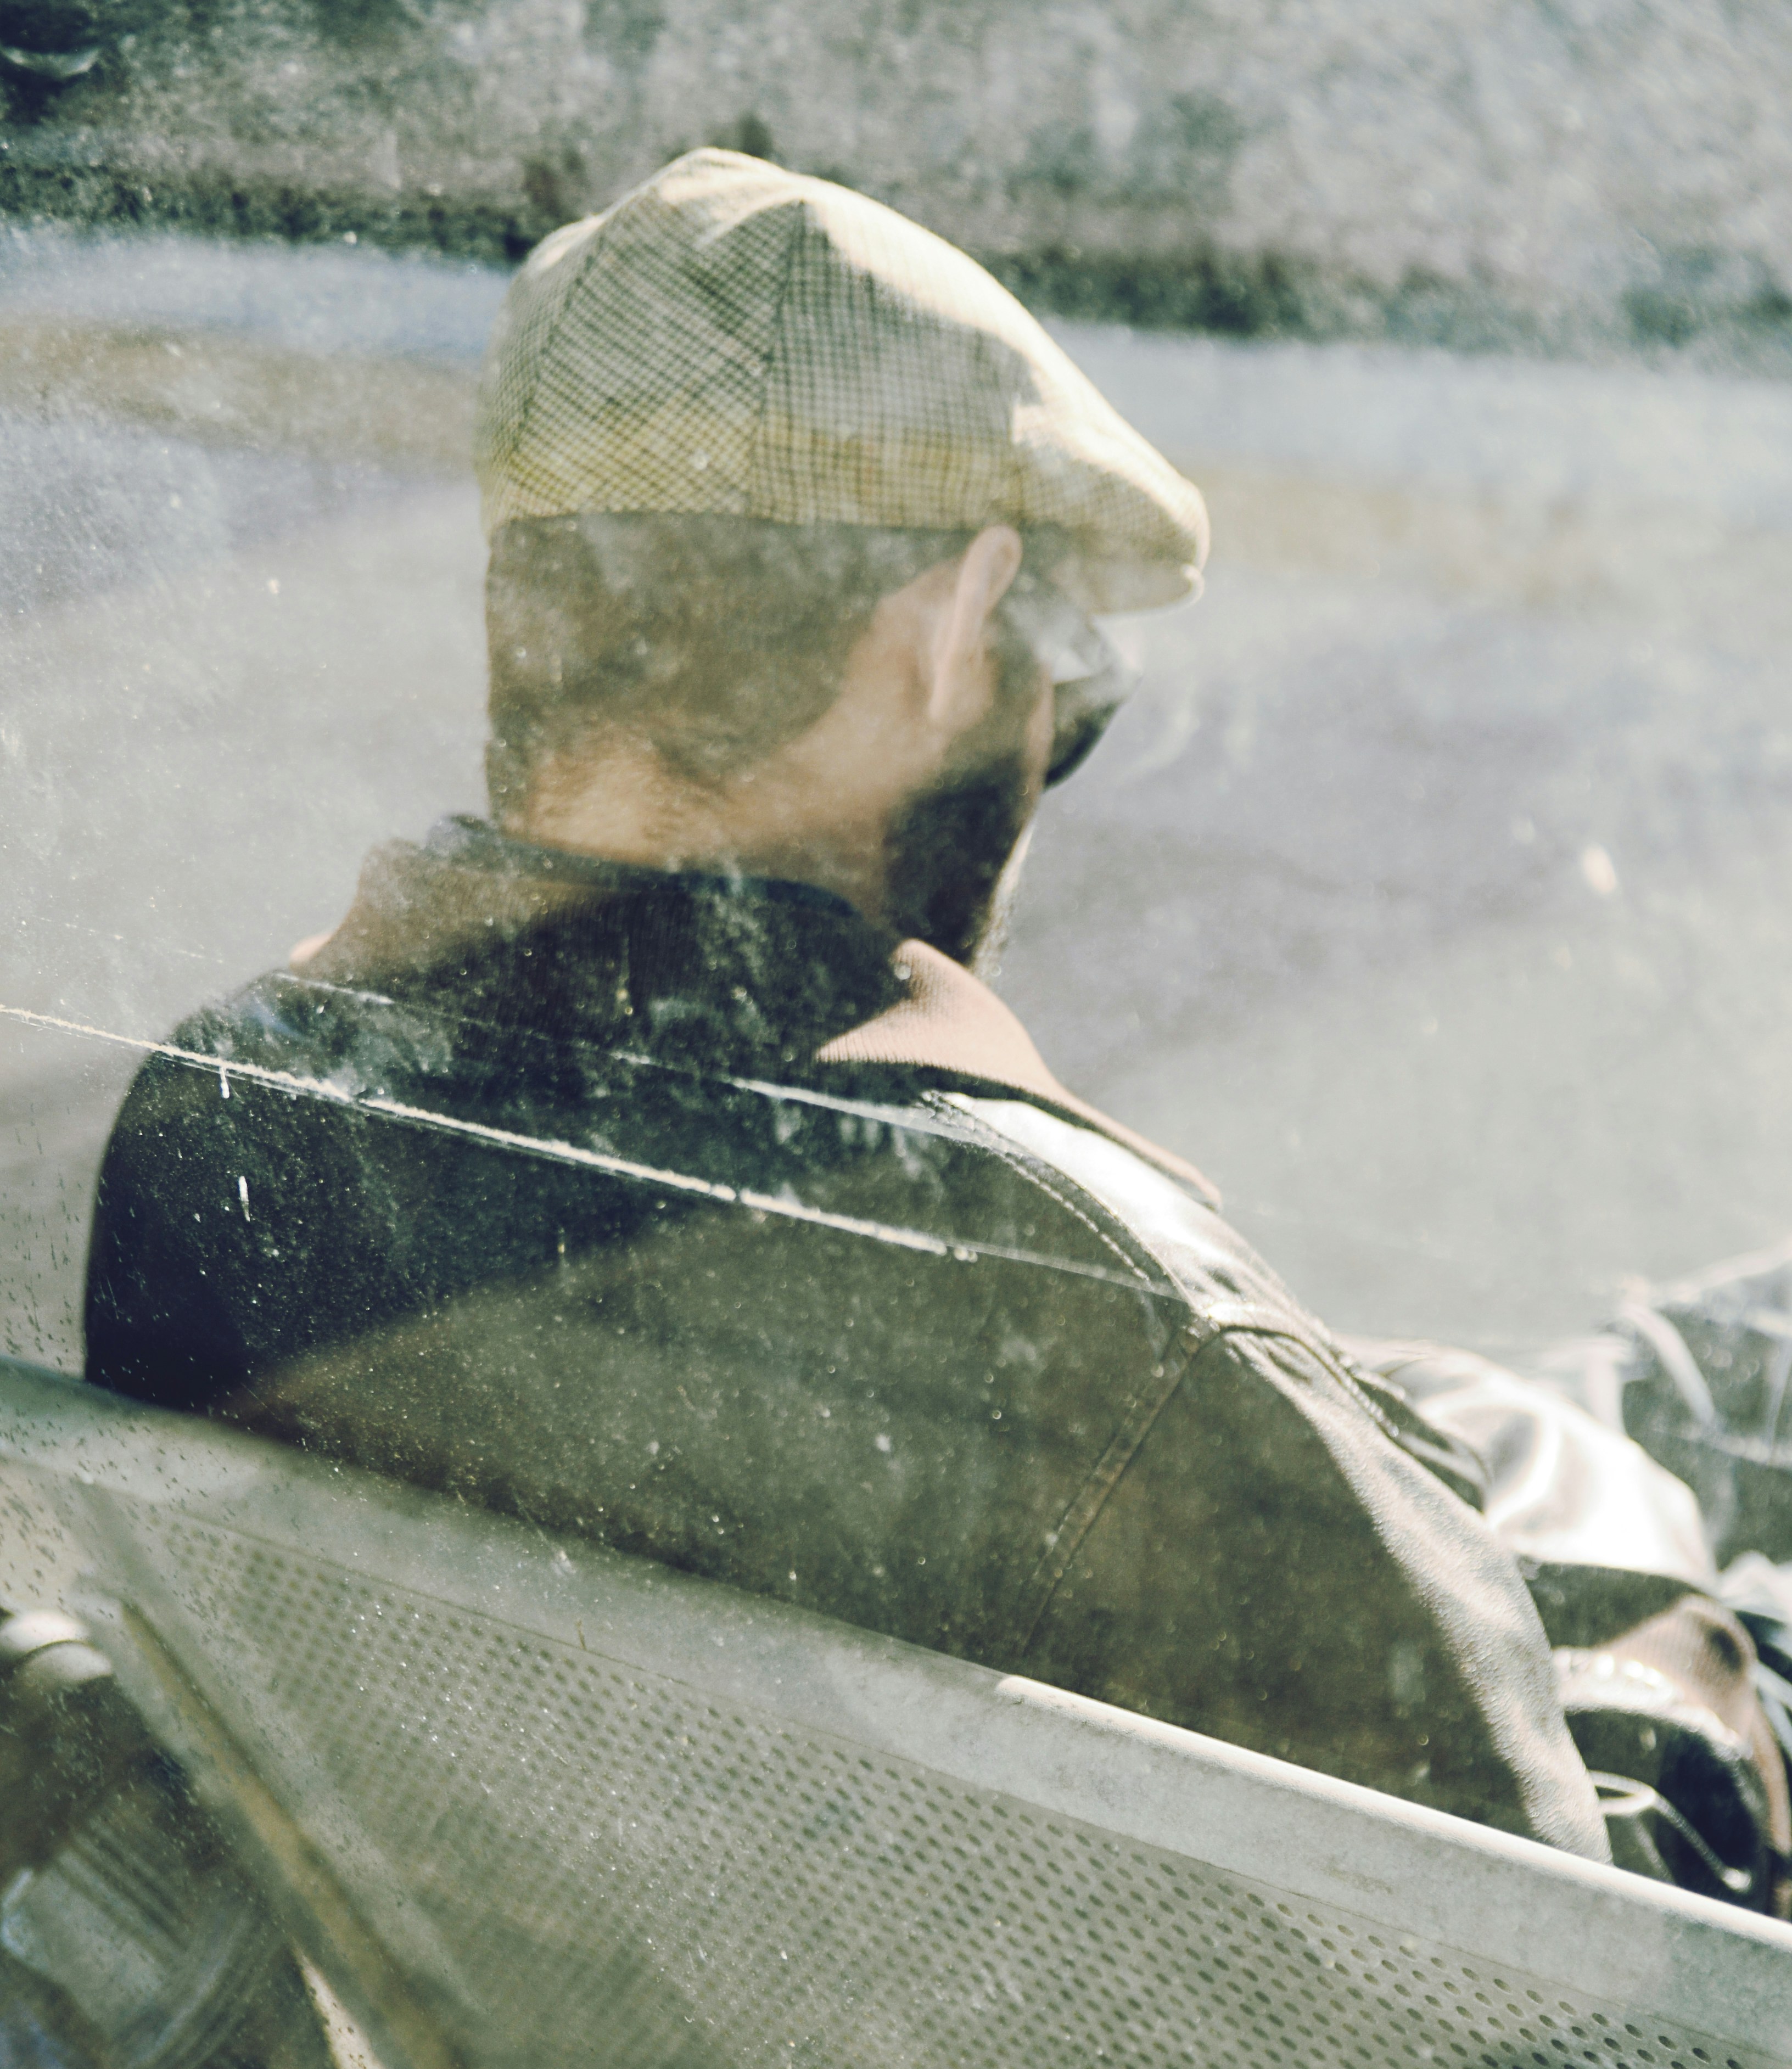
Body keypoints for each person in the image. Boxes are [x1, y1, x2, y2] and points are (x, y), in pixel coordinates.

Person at [80, 149, 1786, 1893]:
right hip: (1482, 2019)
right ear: (947, 621)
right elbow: (1577, 2033)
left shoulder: (224, 1123)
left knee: (1529, 1404)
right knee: (1645, 1452)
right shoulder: (1084, 1309)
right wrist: (1663, 1643)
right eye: (1068, 693)